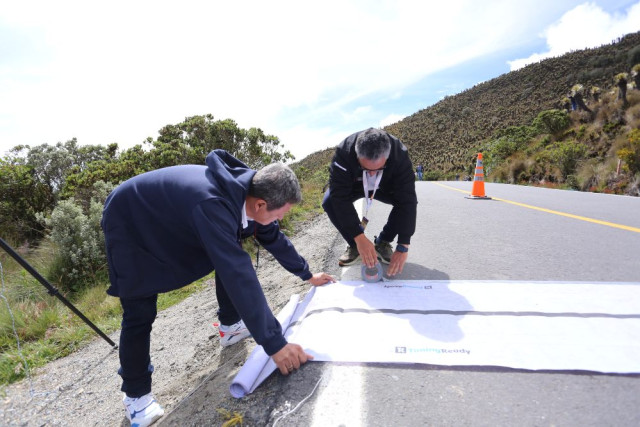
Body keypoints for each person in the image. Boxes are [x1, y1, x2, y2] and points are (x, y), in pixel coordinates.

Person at [102, 149, 334, 427]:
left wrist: (308, 274)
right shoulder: (214, 204)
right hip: (130, 219)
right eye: (279, 214)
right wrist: (276, 344)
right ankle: (136, 397)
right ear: (260, 205)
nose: (279, 220)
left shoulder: (248, 194)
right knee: (139, 310)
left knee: (229, 252)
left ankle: (231, 326)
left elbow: (273, 238)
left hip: (173, 215)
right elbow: (238, 274)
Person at [322, 128, 417, 277]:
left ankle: (383, 242)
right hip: (354, 186)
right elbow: (339, 197)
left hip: (383, 187)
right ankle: (355, 246)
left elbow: (408, 200)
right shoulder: (343, 153)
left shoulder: (399, 155)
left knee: (403, 201)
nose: (372, 173)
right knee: (329, 202)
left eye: (379, 168)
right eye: (366, 168)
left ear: (388, 156)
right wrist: (358, 236)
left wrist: (403, 245)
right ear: (356, 155)